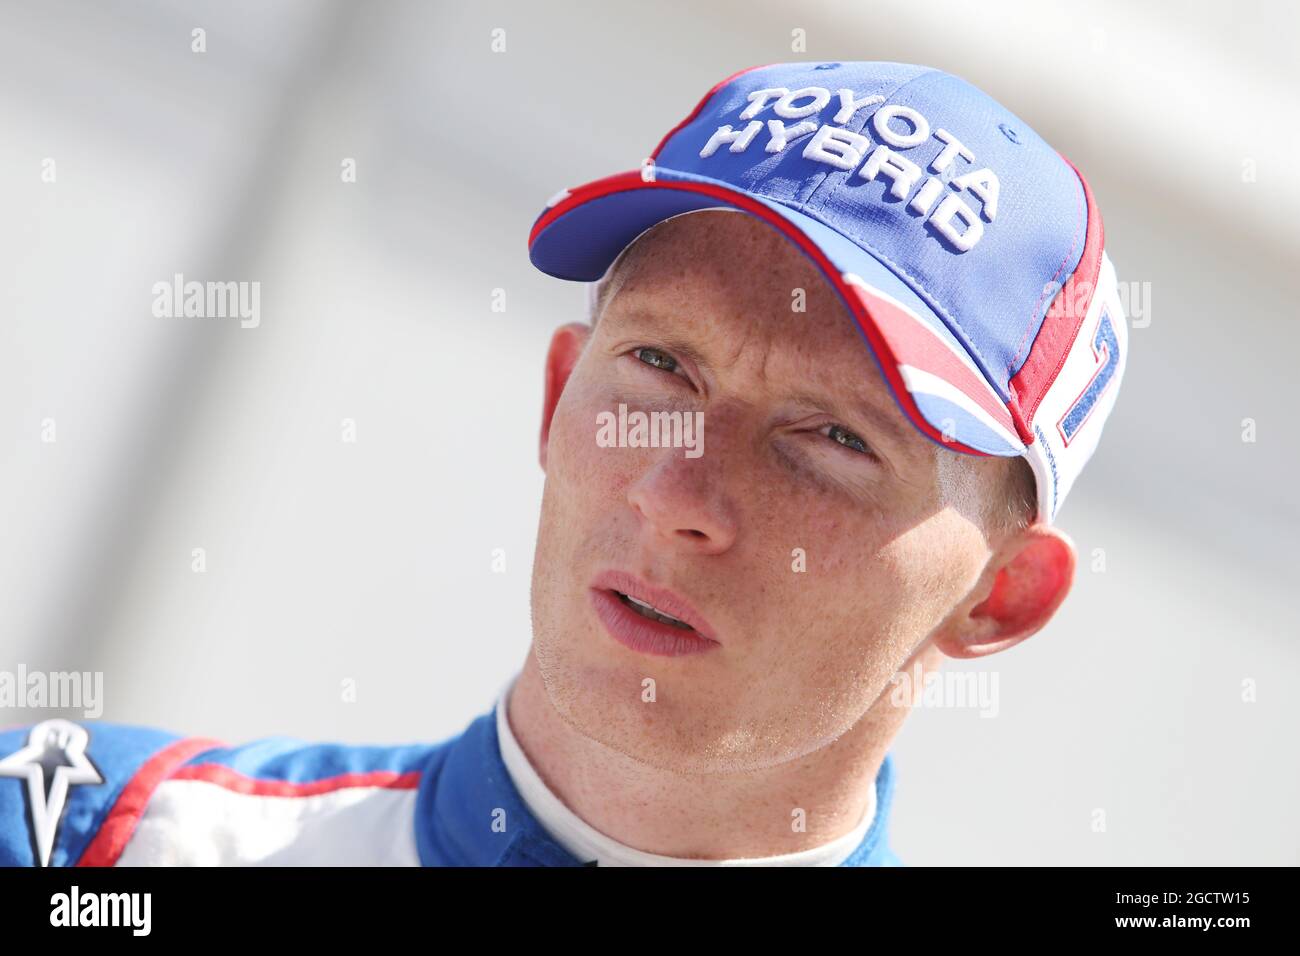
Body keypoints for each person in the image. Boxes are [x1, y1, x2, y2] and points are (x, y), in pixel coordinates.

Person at [0, 61, 1127, 867]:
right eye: (658, 364)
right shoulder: (85, 840)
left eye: (832, 437)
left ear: (1000, 593)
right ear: (556, 396)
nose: (677, 491)